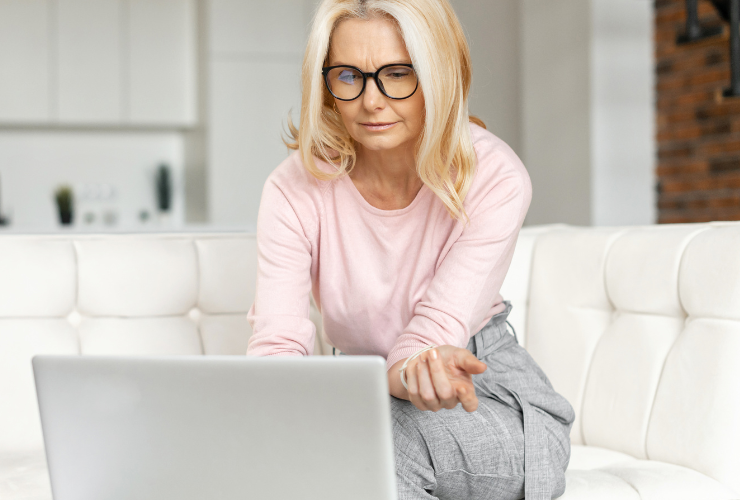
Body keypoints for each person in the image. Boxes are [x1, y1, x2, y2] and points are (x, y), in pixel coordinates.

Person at [245, 1, 576, 499]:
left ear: (439, 73)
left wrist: (413, 373)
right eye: (348, 76)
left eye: (397, 74)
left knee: (370, 446)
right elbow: (277, 350)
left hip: (489, 401)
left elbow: (431, 335)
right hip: (368, 399)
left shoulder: (493, 176)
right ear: (325, 83)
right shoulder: (293, 189)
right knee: (315, 445)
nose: (371, 101)